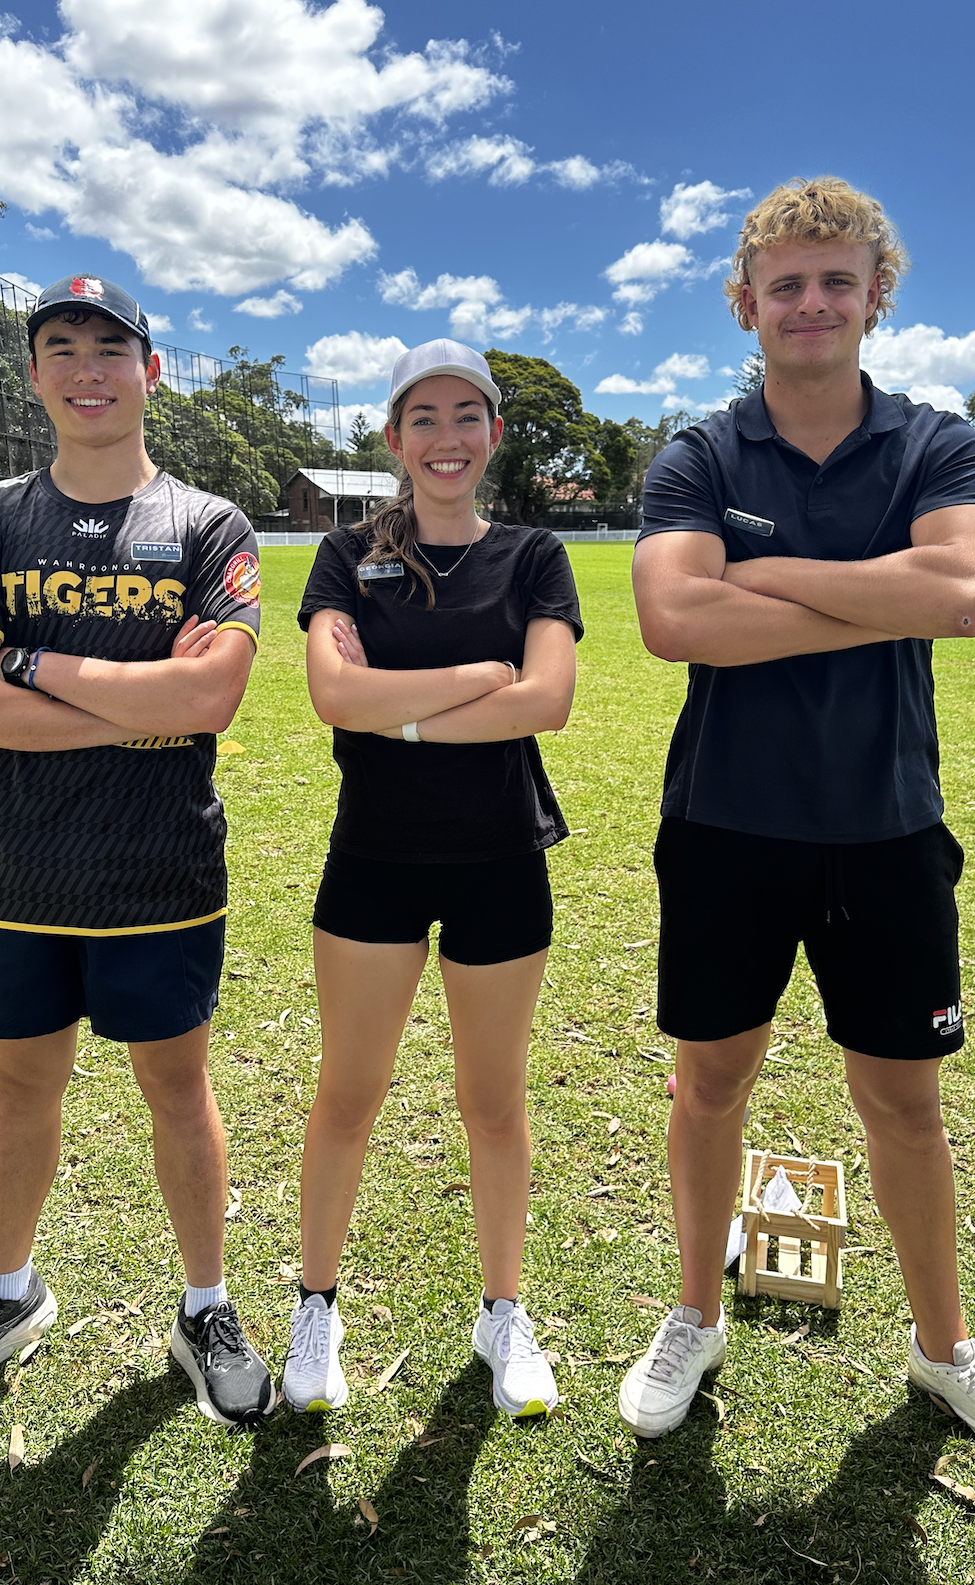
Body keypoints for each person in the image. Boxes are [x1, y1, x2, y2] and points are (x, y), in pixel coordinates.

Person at [618, 179, 975, 1478]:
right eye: (786, 283)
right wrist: (888, 595)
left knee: (903, 1105)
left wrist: (760, 576)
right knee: (710, 1088)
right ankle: (694, 1316)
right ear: (745, 303)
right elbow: (674, 622)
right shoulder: (700, 452)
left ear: (876, 293)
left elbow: (970, 594)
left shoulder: (938, 442)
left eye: (836, 279)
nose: (810, 303)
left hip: (886, 827)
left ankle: (944, 1346)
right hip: (724, 828)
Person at [0, 275, 275, 1428]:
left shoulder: (208, 525)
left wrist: (25, 661)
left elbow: (212, 696)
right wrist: (137, 700)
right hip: (15, 873)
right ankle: (6, 1292)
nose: (86, 366)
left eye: (111, 345)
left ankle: (204, 1304)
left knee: (175, 1086)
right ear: (34, 376)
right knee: (20, 1086)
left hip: (158, 874)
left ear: (150, 370)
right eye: (59, 346)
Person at [286, 339, 581, 1418]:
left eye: (468, 416)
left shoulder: (535, 555)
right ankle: (316, 1305)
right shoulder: (345, 555)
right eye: (425, 418)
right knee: (348, 1094)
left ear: (493, 433)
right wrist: (468, 683)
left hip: (502, 856)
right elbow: (332, 694)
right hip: (373, 857)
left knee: (494, 1104)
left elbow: (544, 699)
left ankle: (502, 1313)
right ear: (393, 436)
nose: (446, 438)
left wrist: (397, 707)